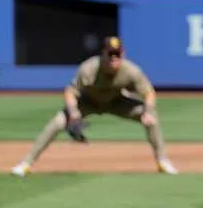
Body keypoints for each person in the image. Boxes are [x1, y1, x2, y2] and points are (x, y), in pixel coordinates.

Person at [11, 37, 178, 177]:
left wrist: (147, 112)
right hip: (88, 102)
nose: (114, 58)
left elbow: (149, 92)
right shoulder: (89, 69)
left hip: (116, 102)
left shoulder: (131, 71)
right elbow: (70, 91)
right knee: (57, 123)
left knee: (152, 118)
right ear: (103, 54)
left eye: (117, 54)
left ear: (123, 54)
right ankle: (26, 164)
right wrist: (74, 113)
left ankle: (162, 161)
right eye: (110, 54)